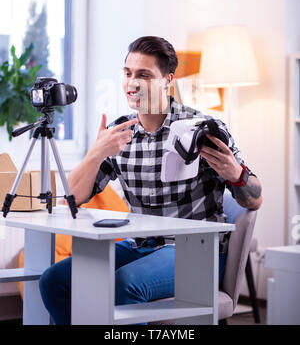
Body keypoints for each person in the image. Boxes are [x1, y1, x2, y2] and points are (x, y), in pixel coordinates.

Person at [39, 36, 262, 325]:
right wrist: (96, 153)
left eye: (143, 75)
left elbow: (254, 199)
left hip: (195, 252)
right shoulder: (119, 133)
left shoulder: (202, 129)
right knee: (54, 281)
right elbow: (73, 199)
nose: (132, 83)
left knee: (124, 284)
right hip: (139, 246)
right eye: (128, 73)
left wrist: (237, 175)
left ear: (167, 80)